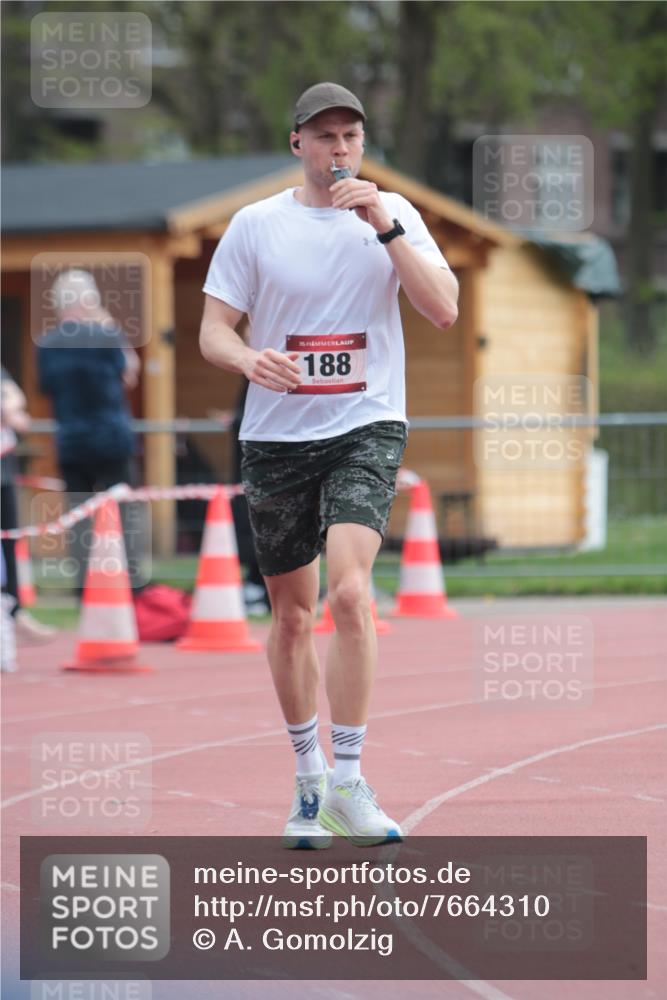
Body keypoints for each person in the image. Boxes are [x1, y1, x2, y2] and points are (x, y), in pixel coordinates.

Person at [199, 82, 458, 848]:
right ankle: (308, 779)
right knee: (292, 616)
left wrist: (385, 229)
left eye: (349, 136)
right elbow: (213, 330)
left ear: (361, 144)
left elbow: (442, 307)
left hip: (365, 424)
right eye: (323, 137)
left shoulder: (392, 217)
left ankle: (349, 780)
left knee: (350, 593)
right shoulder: (255, 226)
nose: (338, 149)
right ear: (297, 145)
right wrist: (250, 360)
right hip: (277, 437)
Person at [37, 269, 141, 595]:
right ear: (90, 300)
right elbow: (129, 374)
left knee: (79, 518)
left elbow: (46, 388)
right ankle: (129, 582)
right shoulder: (107, 336)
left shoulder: (48, 343)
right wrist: (109, 326)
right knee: (122, 514)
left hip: (71, 441)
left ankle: (84, 586)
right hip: (111, 438)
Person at [0, 366, 57, 644]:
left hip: (3, 473)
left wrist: (11, 407)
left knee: (9, 545)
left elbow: (14, 399)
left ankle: (14, 614)